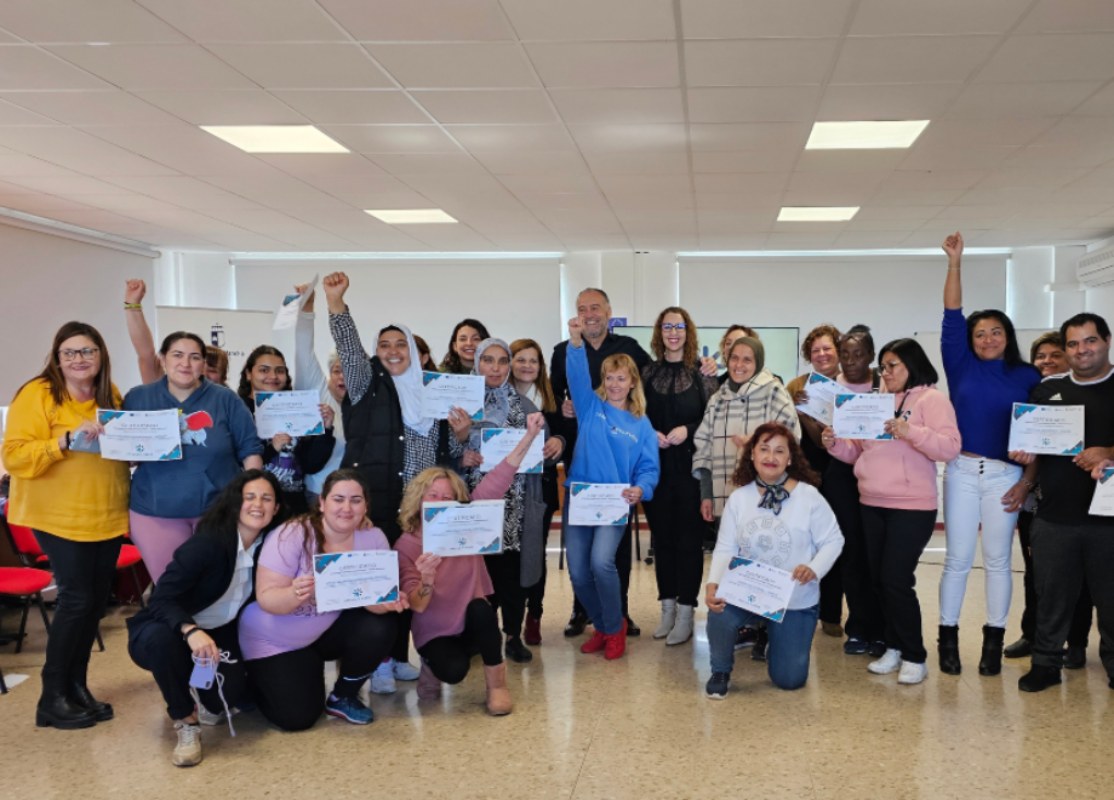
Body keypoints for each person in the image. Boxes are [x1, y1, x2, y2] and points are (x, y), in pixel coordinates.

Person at [324, 271, 467, 692]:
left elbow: (448, 459)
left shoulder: (435, 395)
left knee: (408, 579)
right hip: (378, 505)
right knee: (376, 579)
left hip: (417, 511)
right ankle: (377, 663)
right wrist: (337, 304)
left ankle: (398, 656)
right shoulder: (367, 384)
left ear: (415, 351)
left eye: (400, 343)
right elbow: (349, 351)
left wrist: (460, 438)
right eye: (384, 345)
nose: (392, 351)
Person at [3, 322, 130, 730]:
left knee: (93, 603)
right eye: (70, 352)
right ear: (57, 357)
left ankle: (77, 687)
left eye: (87, 351)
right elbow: (15, 454)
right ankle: (51, 696)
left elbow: (125, 446)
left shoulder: (110, 394)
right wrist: (63, 442)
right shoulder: (37, 393)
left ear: (101, 356)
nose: (79, 359)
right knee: (76, 600)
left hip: (105, 513)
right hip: (57, 516)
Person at [822, 338, 961, 686]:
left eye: (892, 365)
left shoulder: (933, 399)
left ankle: (915, 654)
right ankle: (895, 647)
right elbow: (858, 452)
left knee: (896, 581)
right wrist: (835, 443)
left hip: (912, 507)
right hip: (872, 503)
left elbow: (950, 447)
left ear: (912, 364)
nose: (885, 372)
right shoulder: (876, 402)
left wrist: (909, 430)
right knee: (878, 580)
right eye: (883, 366)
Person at [936, 232, 1042, 678]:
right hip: (961, 470)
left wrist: (1026, 480)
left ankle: (992, 643)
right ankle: (947, 638)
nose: (988, 338)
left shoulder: (1028, 374)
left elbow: (1041, 439)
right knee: (958, 558)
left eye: (996, 331)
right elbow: (952, 314)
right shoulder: (959, 363)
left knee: (998, 561)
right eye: (980, 333)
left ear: (1008, 335)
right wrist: (956, 263)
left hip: (1005, 476)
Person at [126, 470, 284, 766]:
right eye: (249, 497)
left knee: (223, 700)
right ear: (235, 503)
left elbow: (311, 529)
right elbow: (161, 599)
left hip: (218, 633)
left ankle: (202, 691)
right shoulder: (208, 543)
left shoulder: (271, 546)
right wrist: (189, 629)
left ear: (276, 509)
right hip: (169, 628)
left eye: (266, 499)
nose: (257, 505)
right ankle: (185, 719)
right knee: (164, 645)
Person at [396, 414, 545, 715]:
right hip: (435, 629)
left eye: (447, 497)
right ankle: (430, 666)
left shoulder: (468, 525)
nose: (440, 501)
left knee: (482, 609)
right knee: (454, 671)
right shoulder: (406, 545)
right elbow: (418, 606)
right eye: (433, 495)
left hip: (471, 620)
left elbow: (502, 475)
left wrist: (529, 436)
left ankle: (497, 688)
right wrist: (426, 578)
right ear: (419, 498)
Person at [238, 469, 406, 729]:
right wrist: (296, 592)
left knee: (381, 626)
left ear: (366, 506)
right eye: (338, 499)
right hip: (275, 638)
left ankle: (342, 696)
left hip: (322, 630)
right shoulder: (291, 534)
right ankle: (249, 682)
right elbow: (267, 599)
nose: (346, 508)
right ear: (322, 503)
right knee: (297, 719)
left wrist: (387, 604)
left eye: (355, 500)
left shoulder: (373, 537)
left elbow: (371, 602)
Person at [704, 423, 844, 698]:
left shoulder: (809, 497)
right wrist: (713, 583)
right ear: (752, 455)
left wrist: (813, 569)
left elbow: (834, 540)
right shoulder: (739, 499)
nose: (771, 457)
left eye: (780, 451)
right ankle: (720, 669)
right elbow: (725, 547)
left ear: (790, 458)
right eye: (764, 449)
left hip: (794, 597)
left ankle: (772, 638)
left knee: (789, 680)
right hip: (747, 591)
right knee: (718, 609)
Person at [1014, 313, 1114, 693]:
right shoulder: (1047, 388)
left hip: (1109, 519)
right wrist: (1025, 471)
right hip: (1055, 515)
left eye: (1089, 341)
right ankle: (1045, 664)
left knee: (1111, 599)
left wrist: (1108, 451)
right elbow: (1035, 447)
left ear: (1106, 340)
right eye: (1073, 344)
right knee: (1051, 596)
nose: (1081, 350)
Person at [550, 288, 652, 638]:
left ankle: (614, 624)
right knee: (578, 571)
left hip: (616, 499)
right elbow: (574, 381)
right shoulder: (590, 407)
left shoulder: (641, 423)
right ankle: (600, 623)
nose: (614, 384)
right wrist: (575, 345)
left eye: (621, 378)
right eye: (609, 379)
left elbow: (649, 466)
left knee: (602, 562)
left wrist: (643, 488)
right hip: (581, 494)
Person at [125, 331, 263, 583]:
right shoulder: (138, 397)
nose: (185, 364)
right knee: (171, 589)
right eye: (177, 355)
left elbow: (250, 451)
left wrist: (254, 500)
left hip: (217, 512)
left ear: (203, 363)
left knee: (216, 587)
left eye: (194, 357)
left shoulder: (226, 399)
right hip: (156, 513)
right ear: (163, 359)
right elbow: (126, 456)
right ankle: (180, 625)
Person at [459, 339, 557, 664]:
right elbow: (443, 451)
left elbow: (547, 447)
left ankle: (513, 636)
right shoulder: (461, 406)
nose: (496, 368)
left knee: (512, 576)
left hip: (516, 505)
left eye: (502, 361)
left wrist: (553, 443)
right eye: (488, 360)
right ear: (477, 363)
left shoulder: (526, 407)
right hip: (474, 504)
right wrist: (463, 456)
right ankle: (481, 636)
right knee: (480, 575)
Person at [1004, 333, 1093, 661]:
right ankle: (1033, 635)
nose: (1047, 362)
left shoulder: (1080, 399)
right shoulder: (1032, 399)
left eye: (1055, 355)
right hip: (1036, 502)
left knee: (1079, 577)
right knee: (1036, 574)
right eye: (1040, 356)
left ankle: (1078, 642)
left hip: (1077, 501)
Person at [640, 306, 718, 646]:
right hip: (655, 469)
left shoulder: (703, 373)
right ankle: (667, 610)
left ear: (689, 332)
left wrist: (688, 429)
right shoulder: (646, 373)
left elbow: (714, 420)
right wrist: (649, 432)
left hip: (690, 470)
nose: (674, 332)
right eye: (667, 326)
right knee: (663, 541)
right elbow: (634, 414)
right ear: (660, 333)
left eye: (680, 326)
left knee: (689, 543)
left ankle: (687, 612)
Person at [694, 335, 800, 523]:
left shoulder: (773, 392)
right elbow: (704, 449)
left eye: (747, 359)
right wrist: (706, 495)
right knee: (730, 551)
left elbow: (791, 438)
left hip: (767, 498)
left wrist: (755, 442)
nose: (738, 365)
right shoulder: (717, 400)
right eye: (734, 358)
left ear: (758, 362)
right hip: (725, 499)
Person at [828, 326, 887, 658]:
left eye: (859, 354)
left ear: (871, 356)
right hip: (841, 474)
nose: (851, 362)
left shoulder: (885, 386)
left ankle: (881, 628)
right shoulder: (831, 389)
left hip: (879, 473)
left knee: (876, 552)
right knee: (851, 552)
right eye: (845, 354)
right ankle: (858, 627)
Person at [786, 323, 845, 638]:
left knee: (843, 544)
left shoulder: (856, 384)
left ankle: (842, 613)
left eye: (827, 348)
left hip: (848, 475)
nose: (822, 354)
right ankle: (825, 612)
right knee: (813, 543)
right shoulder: (797, 386)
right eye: (815, 350)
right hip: (811, 476)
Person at [238, 344, 336, 515]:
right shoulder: (238, 410)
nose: (273, 376)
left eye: (280, 371)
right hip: (253, 506)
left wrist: (326, 429)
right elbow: (233, 461)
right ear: (248, 374)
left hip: (294, 506)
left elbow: (311, 464)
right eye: (264, 370)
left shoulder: (296, 407)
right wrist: (271, 450)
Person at [510, 338, 564, 646]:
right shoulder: (498, 397)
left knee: (535, 554)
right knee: (509, 558)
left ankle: (535, 614)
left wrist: (559, 439)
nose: (527, 365)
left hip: (539, 489)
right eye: (521, 359)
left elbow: (566, 433)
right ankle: (509, 620)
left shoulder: (551, 397)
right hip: (505, 490)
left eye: (533, 360)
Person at [292, 286, 345, 507]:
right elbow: (304, 349)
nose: (343, 377)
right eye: (336, 370)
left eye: (349, 372)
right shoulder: (318, 391)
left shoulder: (367, 403)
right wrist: (307, 307)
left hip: (355, 495)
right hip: (317, 494)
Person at [123, 278, 228, 385]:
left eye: (212, 370)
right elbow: (146, 355)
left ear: (223, 377)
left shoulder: (229, 400)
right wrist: (132, 306)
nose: (204, 374)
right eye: (179, 356)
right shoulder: (164, 389)